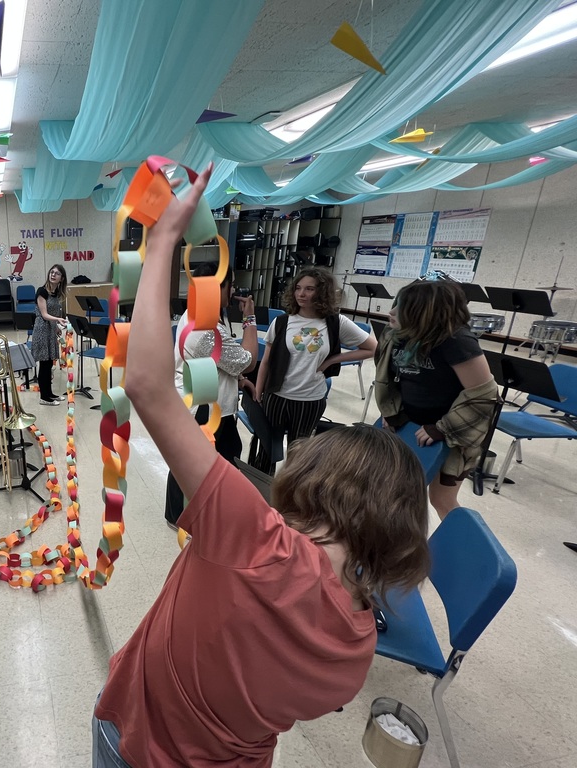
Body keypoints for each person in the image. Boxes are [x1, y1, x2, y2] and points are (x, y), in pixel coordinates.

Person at [92, 163, 431, 768]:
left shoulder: (252, 537)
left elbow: (144, 383)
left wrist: (163, 238)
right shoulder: (357, 648)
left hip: (137, 741)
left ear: (318, 478)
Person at [375, 279, 498, 520]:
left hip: (450, 434)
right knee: (391, 491)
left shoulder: (457, 341)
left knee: (441, 499)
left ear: (426, 313)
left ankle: (459, 542)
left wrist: (442, 428)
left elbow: (484, 396)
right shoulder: (397, 334)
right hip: (408, 424)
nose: (392, 311)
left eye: (403, 307)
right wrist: (391, 411)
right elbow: (388, 379)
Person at [249, 267, 376, 474]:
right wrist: (259, 390)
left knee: (299, 454)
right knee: (266, 450)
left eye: (309, 289)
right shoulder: (282, 322)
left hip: (310, 399)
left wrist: (333, 359)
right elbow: (266, 362)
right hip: (277, 395)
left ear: (322, 292)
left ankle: (290, 489)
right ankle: (260, 488)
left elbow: (372, 349)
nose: (301, 294)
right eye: (298, 288)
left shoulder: (335, 322)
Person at [164, 262, 257, 529]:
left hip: (200, 398)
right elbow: (248, 361)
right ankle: (188, 518)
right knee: (206, 462)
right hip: (206, 407)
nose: (234, 291)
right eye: (231, 285)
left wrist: (238, 380)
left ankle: (186, 515)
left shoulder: (197, 313)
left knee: (205, 457)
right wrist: (250, 319)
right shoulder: (205, 328)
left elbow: (216, 361)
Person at [32, 263, 69, 405]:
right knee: (44, 363)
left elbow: (52, 313)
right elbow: (44, 314)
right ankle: (44, 397)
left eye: (57, 273)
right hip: (42, 329)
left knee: (48, 364)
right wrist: (58, 320)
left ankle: (50, 393)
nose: (53, 275)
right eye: (52, 272)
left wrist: (56, 328)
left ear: (61, 278)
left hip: (50, 329)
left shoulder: (56, 293)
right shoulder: (42, 291)